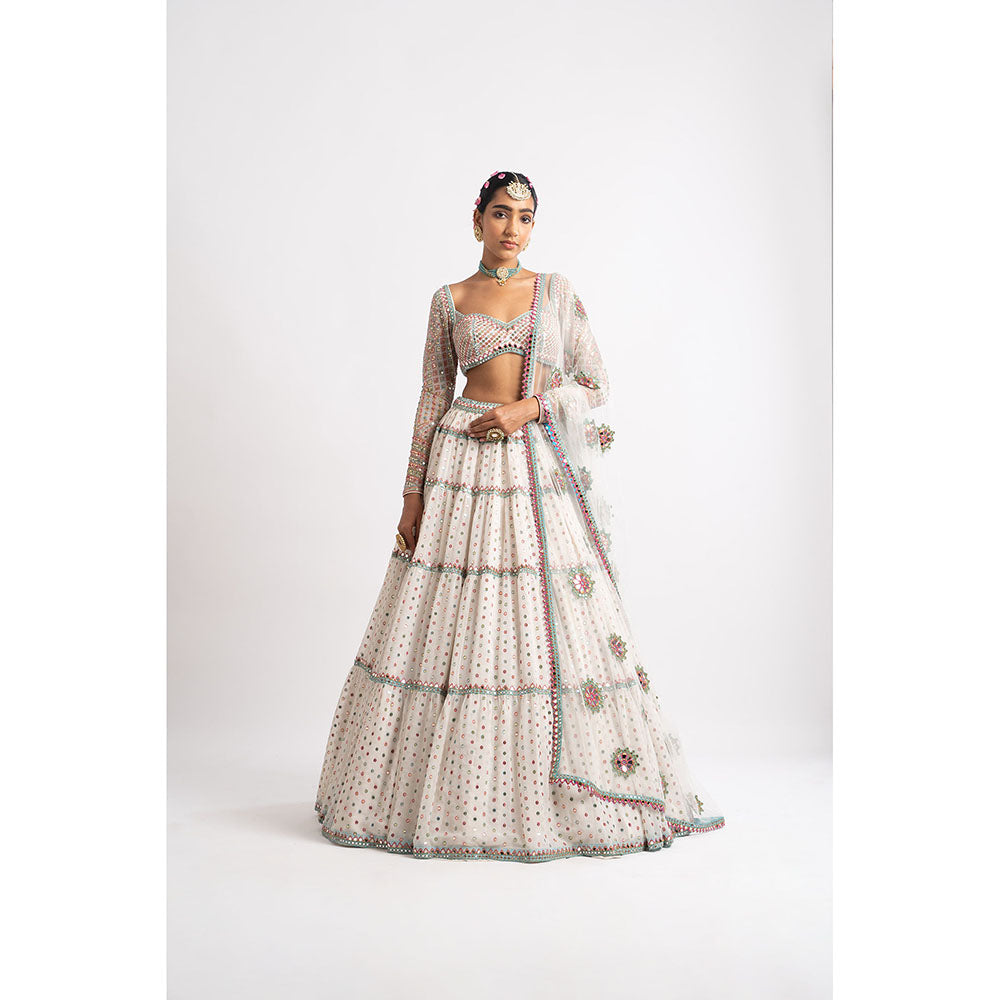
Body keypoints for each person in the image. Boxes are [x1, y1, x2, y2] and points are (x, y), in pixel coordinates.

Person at [314, 170, 725, 861]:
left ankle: (546, 788)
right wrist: (412, 496)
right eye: (501, 213)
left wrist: (526, 409)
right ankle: (452, 797)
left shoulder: (555, 292)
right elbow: (430, 397)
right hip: (460, 464)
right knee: (453, 620)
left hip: (533, 465)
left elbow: (595, 383)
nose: (513, 228)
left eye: (526, 217)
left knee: (541, 615)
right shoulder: (449, 300)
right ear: (477, 219)